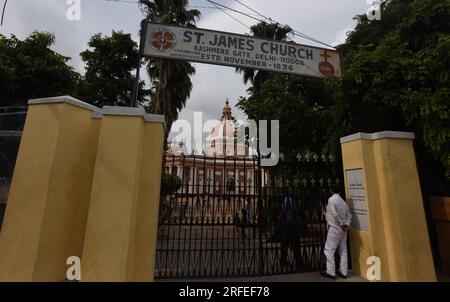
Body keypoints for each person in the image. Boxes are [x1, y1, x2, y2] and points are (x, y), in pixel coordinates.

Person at [321, 184, 352, 279]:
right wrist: (346, 224)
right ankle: (344, 272)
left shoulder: (331, 200)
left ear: (331, 191)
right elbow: (349, 215)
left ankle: (331, 272)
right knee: (343, 251)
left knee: (329, 250)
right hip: (343, 231)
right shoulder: (343, 201)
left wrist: (342, 224)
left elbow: (334, 214)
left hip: (334, 228)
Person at [280, 187, 302, 270]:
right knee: (294, 244)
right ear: (288, 192)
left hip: (287, 225)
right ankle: (298, 262)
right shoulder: (289, 200)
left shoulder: (287, 200)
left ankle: (284, 261)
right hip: (289, 225)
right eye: (290, 190)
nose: (292, 192)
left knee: (285, 244)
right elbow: (291, 211)